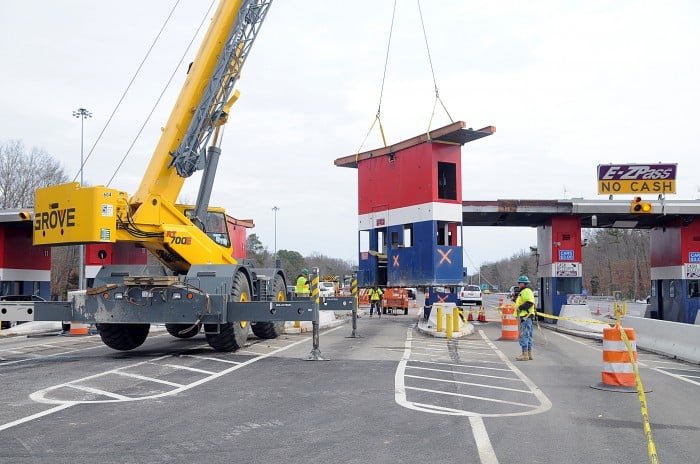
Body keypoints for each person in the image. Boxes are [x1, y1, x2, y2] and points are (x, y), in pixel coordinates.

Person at [514, 275, 536, 361]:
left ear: (523, 283)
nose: (518, 284)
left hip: (525, 317)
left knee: (524, 335)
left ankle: (525, 354)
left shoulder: (526, 291)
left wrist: (520, 308)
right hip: (527, 317)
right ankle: (529, 353)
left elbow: (529, 303)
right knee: (528, 335)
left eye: (519, 283)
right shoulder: (525, 291)